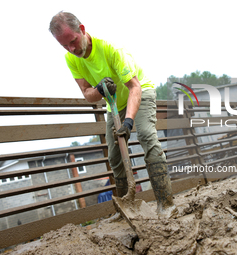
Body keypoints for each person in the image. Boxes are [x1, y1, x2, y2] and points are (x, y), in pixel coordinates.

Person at [49, 11, 176, 218]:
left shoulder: (111, 49)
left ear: (82, 30)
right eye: (65, 46)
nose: (71, 49)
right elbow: (87, 94)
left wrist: (128, 122)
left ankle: (166, 203)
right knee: (114, 156)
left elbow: (134, 88)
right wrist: (99, 89)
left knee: (145, 135)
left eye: (73, 41)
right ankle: (129, 206)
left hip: (139, 92)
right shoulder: (71, 59)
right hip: (114, 102)